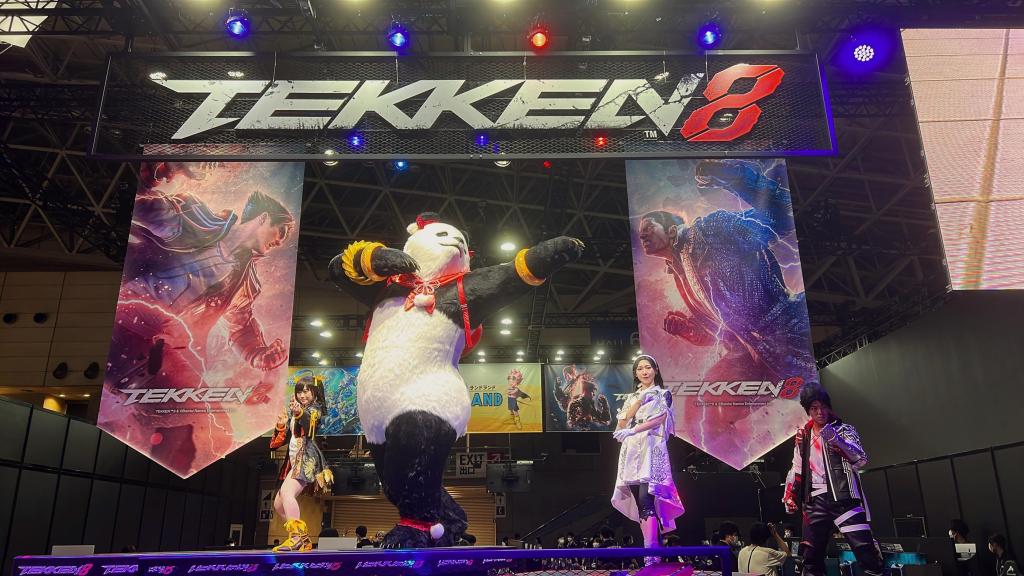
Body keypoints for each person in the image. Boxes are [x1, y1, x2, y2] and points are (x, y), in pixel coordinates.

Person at [99, 162, 295, 475]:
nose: (280, 241)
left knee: (207, 430)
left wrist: (260, 355)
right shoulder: (195, 219)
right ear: (262, 218)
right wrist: (155, 177)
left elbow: (241, 327)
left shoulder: (247, 281)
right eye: (280, 231)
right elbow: (143, 209)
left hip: (164, 347)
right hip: (131, 320)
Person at [636, 159, 815, 383]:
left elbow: (780, 217)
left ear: (672, 231)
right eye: (640, 233)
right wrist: (687, 329)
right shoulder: (680, 274)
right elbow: (722, 334)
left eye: (649, 228)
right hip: (769, 358)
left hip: (790, 332)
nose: (642, 235)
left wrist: (737, 178)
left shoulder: (710, 230)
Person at [783, 385, 884, 576]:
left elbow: (860, 459)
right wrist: (790, 495)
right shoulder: (803, 435)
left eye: (823, 406)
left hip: (844, 498)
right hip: (814, 501)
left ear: (828, 407)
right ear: (808, 410)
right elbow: (796, 467)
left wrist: (837, 440)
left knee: (866, 553)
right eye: (814, 408)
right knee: (810, 559)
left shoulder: (844, 429)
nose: (820, 412)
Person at [611, 355, 685, 565]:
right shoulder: (631, 397)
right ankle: (650, 552)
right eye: (640, 368)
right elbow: (621, 424)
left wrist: (633, 429)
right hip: (633, 450)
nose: (644, 371)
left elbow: (660, 419)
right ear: (635, 373)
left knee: (647, 497)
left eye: (648, 367)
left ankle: (652, 554)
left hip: (651, 447)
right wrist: (638, 402)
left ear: (655, 369)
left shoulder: (663, 393)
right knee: (641, 502)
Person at [269, 372, 334, 552]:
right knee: (278, 504)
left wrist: (299, 413)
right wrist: (282, 424)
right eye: (299, 391)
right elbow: (280, 441)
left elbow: (310, 424)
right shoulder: (298, 411)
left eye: (306, 391)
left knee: (287, 492)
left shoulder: (315, 409)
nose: (302, 395)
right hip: (292, 460)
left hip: (306, 458)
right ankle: (303, 539)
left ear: (314, 392)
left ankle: (296, 538)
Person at [554, 365, 612, 430]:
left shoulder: (583, 405)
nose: (593, 394)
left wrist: (605, 405)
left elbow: (605, 421)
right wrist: (605, 405)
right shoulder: (585, 406)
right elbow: (606, 421)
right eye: (592, 392)